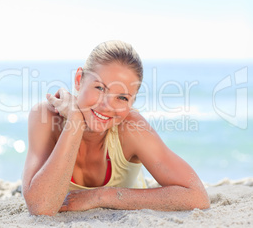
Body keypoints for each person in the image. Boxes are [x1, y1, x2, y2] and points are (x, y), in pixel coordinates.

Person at [22, 40, 210, 216]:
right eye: (100, 88)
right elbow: (41, 206)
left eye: (122, 98)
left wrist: (101, 196)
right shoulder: (45, 115)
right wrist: (75, 121)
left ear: (132, 103)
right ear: (79, 79)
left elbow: (197, 196)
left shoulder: (132, 127)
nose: (107, 106)